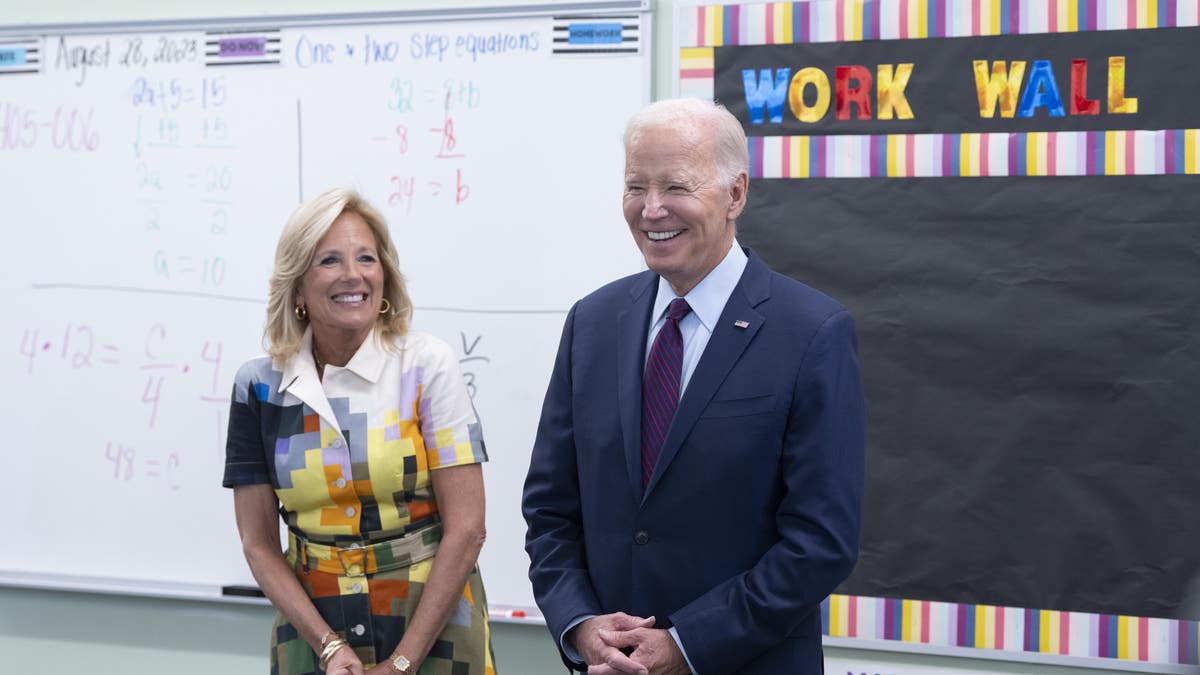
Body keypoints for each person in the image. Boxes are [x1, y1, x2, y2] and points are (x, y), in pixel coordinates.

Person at [522, 98, 865, 674]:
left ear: (735, 194)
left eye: (675, 187)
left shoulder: (812, 331)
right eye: (636, 187)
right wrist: (581, 626)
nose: (652, 210)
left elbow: (820, 542)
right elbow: (551, 512)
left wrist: (687, 645)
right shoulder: (592, 323)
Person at [223, 187, 496, 675]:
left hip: (434, 628)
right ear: (298, 286)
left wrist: (404, 662)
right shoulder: (259, 387)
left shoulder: (426, 365)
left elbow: (468, 528)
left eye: (366, 258)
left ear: (385, 276)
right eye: (329, 260)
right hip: (312, 630)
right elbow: (258, 542)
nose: (353, 275)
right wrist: (328, 647)